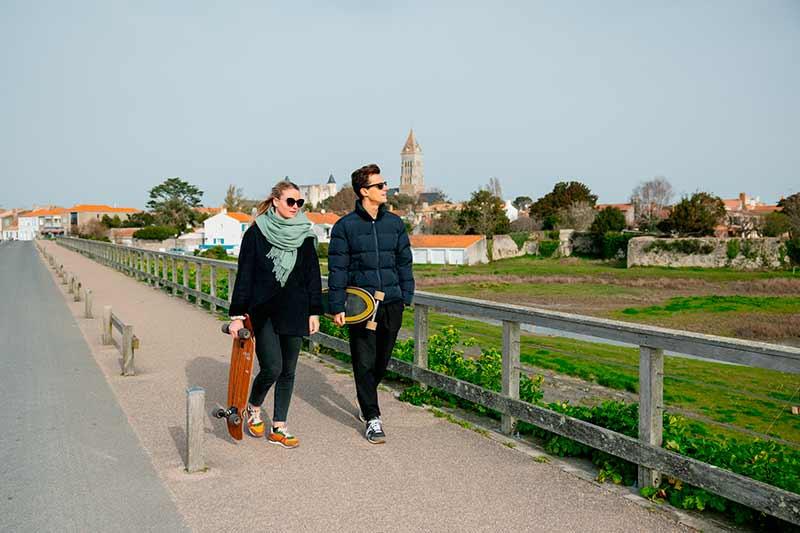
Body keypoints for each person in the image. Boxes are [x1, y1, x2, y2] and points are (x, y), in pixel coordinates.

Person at [228, 180, 322, 448]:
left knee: (289, 371)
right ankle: (254, 407)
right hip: (264, 309)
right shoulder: (256, 233)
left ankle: (279, 426)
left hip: (296, 309)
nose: (295, 207)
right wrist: (237, 314)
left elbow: (312, 275)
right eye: (290, 201)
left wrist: (314, 311)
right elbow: (245, 275)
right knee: (272, 367)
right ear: (276, 201)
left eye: (299, 202)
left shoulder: (305, 233)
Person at [328, 164, 414, 444]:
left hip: (392, 302)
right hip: (362, 305)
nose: (385, 188)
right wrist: (337, 305)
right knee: (364, 361)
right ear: (364, 191)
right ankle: (372, 416)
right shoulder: (345, 227)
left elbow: (404, 261)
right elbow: (337, 269)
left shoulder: (395, 223)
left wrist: (406, 295)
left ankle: (366, 396)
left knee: (381, 361)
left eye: (384, 184)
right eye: (380, 185)